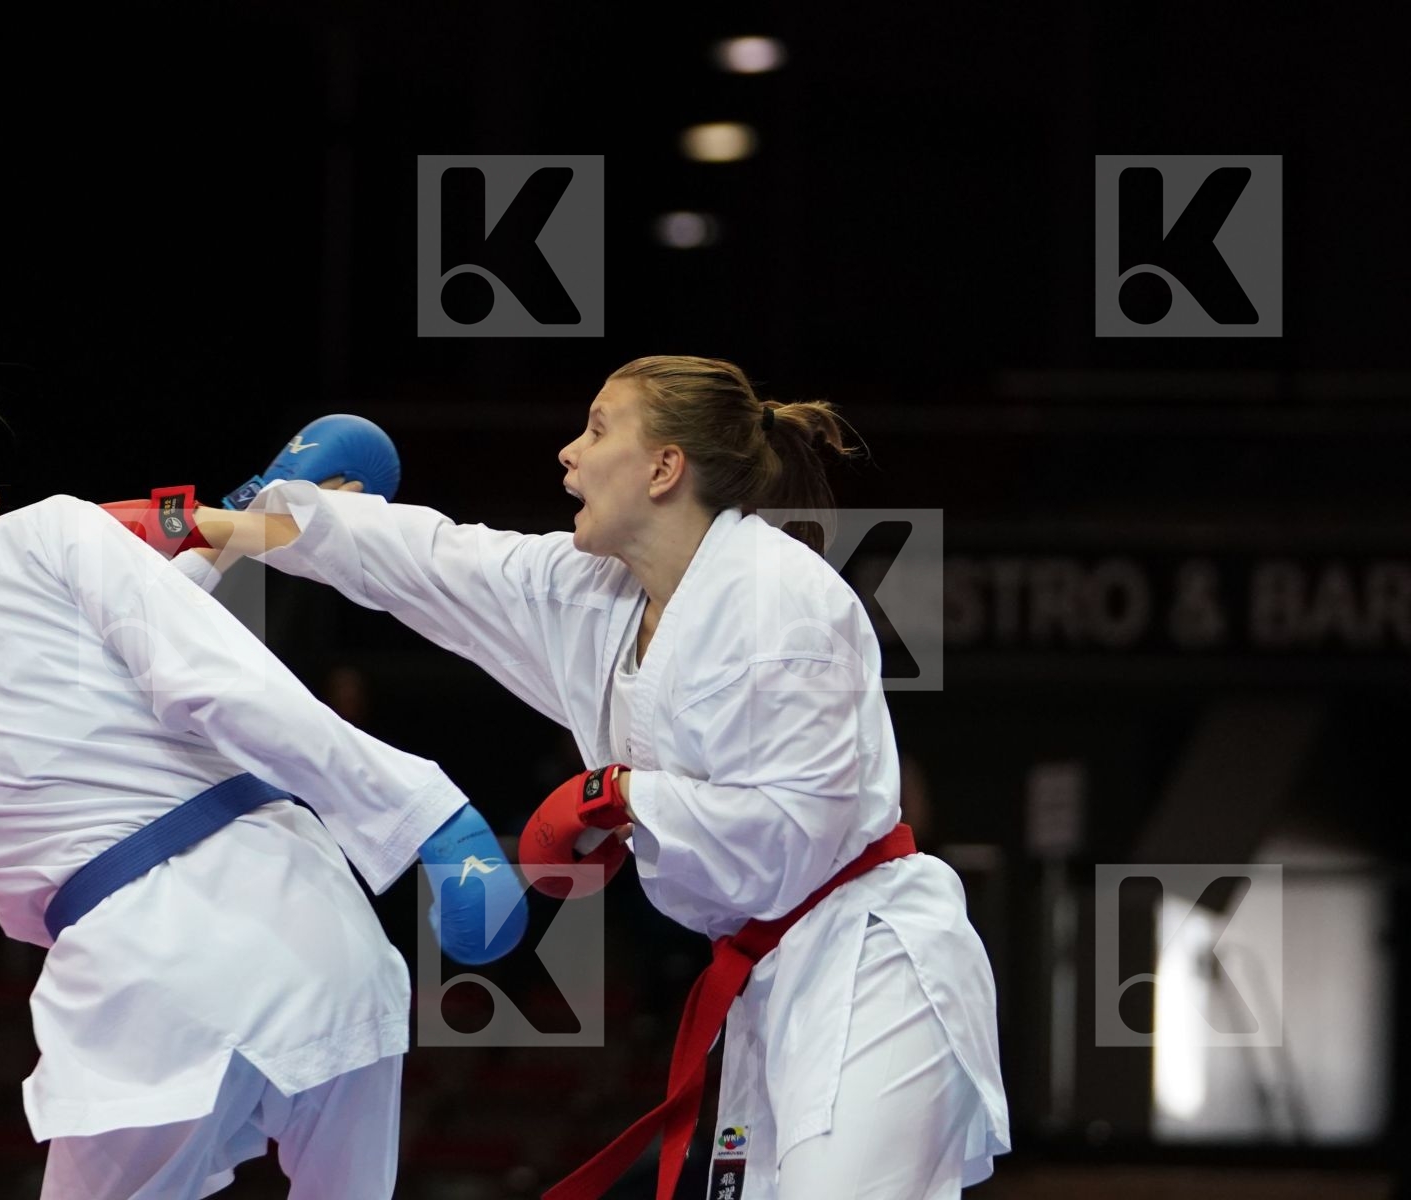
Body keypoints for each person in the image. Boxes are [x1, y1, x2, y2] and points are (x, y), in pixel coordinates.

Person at [200, 356, 1012, 1198]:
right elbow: (435, 560)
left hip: (870, 970)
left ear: (664, 468)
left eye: (596, 429)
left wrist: (620, 797)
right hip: (767, 983)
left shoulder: (781, 601)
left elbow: (791, 839)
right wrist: (231, 524)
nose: (569, 452)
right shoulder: (596, 590)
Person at [0, 373, 528, 1200]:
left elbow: (91, 682)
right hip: (311, 932)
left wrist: (233, 527)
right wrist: (431, 818)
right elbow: (217, 685)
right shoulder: (47, 530)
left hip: (142, 983)